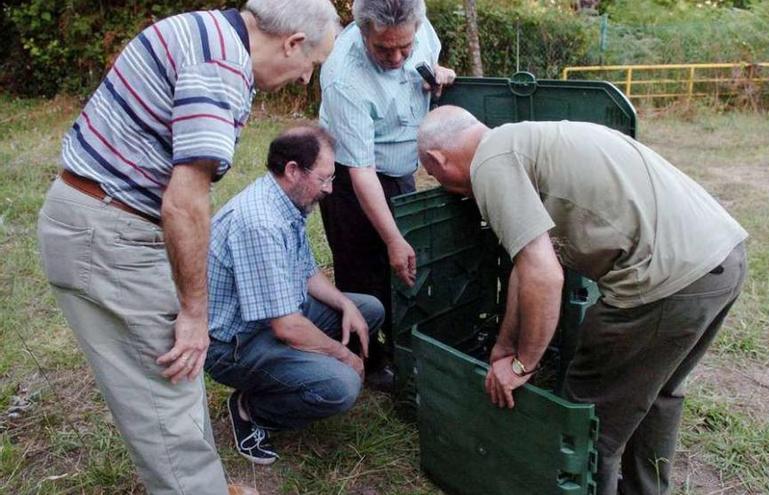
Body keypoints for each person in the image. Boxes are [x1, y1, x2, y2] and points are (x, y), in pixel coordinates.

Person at [35, 1, 339, 493]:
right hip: (111, 235)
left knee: (179, 380)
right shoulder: (222, 69)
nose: (306, 79)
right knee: (166, 396)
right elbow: (185, 202)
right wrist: (195, 314)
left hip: (102, 219)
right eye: (313, 65)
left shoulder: (208, 32)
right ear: (292, 43)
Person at [417, 106, 749, 495]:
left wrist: (525, 363)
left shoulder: (490, 163)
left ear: (437, 160)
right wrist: (504, 346)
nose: (438, 182)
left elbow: (544, 275)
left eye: (433, 175)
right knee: (658, 393)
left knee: (588, 422)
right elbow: (526, 268)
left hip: (664, 283)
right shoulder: (522, 140)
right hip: (720, 258)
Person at [204, 126, 384, 465]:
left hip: (272, 320)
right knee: (342, 386)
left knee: (367, 310)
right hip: (235, 344)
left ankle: (301, 371)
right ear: (292, 171)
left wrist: (346, 304)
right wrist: (345, 358)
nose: (330, 189)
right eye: (324, 179)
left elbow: (308, 272)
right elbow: (287, 326)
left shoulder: (286, 201)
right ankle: (251, 410)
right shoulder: (260, 222)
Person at [318, 0, 456, 388]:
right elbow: (361, 171)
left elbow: (428, 65)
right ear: (362, 32)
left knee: (402, 270)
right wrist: (393, 239)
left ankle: (403, 344)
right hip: (351, 176)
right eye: (383, 49)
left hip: (399, 169)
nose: (397, 57)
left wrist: (439, 74)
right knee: (360, 270)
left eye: (404, 47)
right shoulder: (343, 77)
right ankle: (368, 358)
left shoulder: (420, 26)